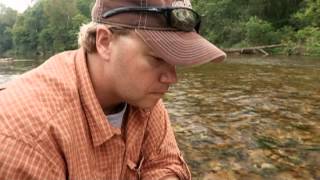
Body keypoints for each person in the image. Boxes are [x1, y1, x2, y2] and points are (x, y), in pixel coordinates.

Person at [0, 0, 226, 179]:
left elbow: (163, 163)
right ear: (105, 42)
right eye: (157, 58)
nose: (172, 77)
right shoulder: (27, 141)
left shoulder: (142, 95)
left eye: (175, 60)